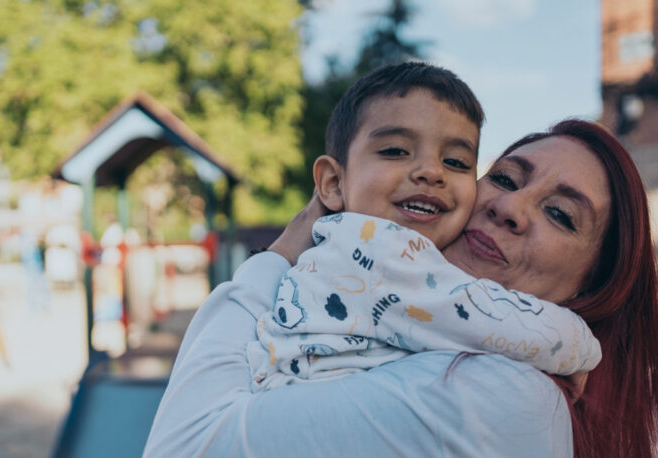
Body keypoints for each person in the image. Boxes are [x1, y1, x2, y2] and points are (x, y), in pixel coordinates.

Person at [144, 120, 658, 457]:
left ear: (592, 286)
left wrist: (277, 257)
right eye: (503, 179)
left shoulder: (502, 396)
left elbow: (185, 445)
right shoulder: (403, 322)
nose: (510, 207)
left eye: (560, 214)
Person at [246, 63, 598, 390]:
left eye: (456, 161)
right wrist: (581, 345)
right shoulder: (373, 250)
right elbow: (489, 321)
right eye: (397, 151)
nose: (432, 171)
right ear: (334, 184)